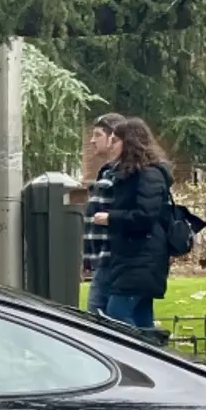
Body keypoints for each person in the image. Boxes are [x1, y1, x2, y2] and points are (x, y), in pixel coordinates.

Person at [89, 116, 173, 331]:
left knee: (117, 319)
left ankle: (140, 359)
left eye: (115, 140)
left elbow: (145, 216)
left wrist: (111, 218)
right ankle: (155, 359)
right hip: (131, 259)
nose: (111, 145)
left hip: (140, 259)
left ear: (129, 143)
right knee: (142, 321)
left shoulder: (149, 174)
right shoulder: (131, 173)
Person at [82, 113, 127, 316]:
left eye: (98, 135)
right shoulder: (107, 170)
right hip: (103, 259)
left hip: (113, 258)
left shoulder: (127, 171)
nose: (92, 140)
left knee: (98, 318)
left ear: (113, 137)